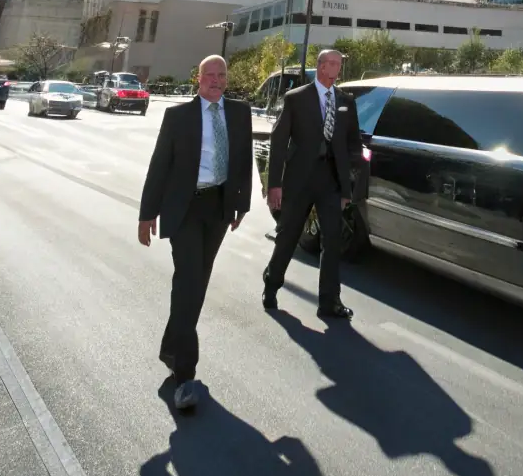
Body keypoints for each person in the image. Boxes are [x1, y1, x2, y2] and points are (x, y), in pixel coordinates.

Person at [138, 54, 253, 412]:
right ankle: (185, 376)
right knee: (189, 283)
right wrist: (147, 214)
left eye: (221, 75)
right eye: (210, 75)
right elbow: (160, 165)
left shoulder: (239, 112)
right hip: (185, 208)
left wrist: (241, 205)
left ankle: (171, 349)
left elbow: (243, 159)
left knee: (195, 284)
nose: (216, 80)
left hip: (217, 209)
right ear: (198, 78)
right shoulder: (178, 117)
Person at [263, 48, 361, 322]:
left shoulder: (345, 101)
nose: (337, 68)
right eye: (332, 63)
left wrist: (347, 185)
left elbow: (352, 143)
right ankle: (272, 282)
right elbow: (279, 141)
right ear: (320, 66)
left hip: (331, 181)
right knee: (289, 235)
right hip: (299, 179)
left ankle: (329, 301)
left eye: (339, 64)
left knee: (332, 239)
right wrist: (275, 185)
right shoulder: (297, 98)